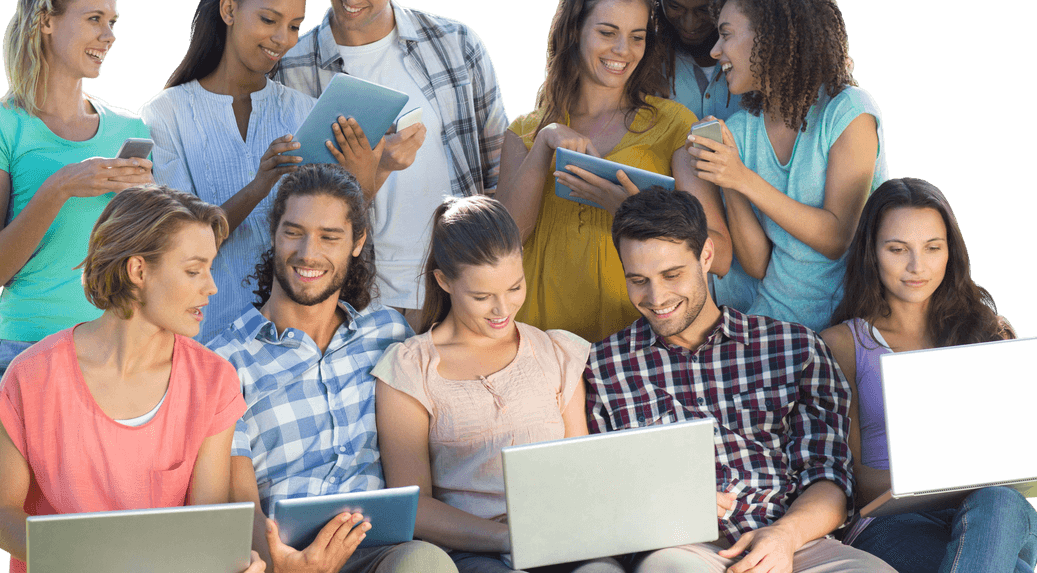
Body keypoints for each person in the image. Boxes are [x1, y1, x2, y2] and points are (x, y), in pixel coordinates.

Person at [585, 187, 894, 573]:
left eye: (671, 274)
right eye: (638, 280)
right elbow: (602, 494)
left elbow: (830, 477)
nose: (656, 296)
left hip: (794, 541)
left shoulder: (793, 348)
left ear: (706, 255)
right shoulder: (605, 367)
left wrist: (784, 536)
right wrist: (662, 505)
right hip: (683, 547)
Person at [0, 184, 263, 573]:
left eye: (209, 269)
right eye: (193, 271)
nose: (210, 287)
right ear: (138, 270)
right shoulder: (30, 376)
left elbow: (204, 524)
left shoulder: (214, 381)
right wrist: (86, 560)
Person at [208, 163, 456, 573]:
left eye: (329, 237)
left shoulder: (388, 334)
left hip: (382, 553)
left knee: (424, 563)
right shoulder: (225, 361)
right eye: (294, 232)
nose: (309, 253)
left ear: (357, 242)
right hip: (284, 557)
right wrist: (285, 563)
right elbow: (240, 504)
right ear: (274, 234)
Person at [275, 0, 509, 323]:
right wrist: (378, 166)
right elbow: (287, 198)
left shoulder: (456, 45)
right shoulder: (289, 68)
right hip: (353, 293)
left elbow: (498, 170)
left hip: (455, 281)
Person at [0, 0, 153, 435]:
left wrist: (151, 210)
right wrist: (61, 186)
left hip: (116, 357)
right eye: (94, 19)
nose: (108, 35)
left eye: (112, 22)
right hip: (31, 356)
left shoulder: (129, 128)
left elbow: (145, 260)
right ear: (46, 21)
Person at [374, 196, 616, 572]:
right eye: (482, 296)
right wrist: (508, 538)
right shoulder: (410, 369)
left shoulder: (556, 352)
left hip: (561, 542)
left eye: (514, 288)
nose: (503, 309)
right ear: (444, 280)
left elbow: (579, 472)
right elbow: (414, 506)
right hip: (473, 552)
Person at [495, 0, 727, 343]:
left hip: (633, 346)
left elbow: (720, 253)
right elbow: (502, 245)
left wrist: (631, 213)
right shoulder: (524, 132)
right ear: (575, 31)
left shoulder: (674, 125)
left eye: (637, 37)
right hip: (539, 339)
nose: (623, 50)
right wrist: (545, 142)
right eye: (607, 32)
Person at [819, 177, 1036, 573]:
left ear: (950, 252)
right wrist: (936, 477)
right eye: (897, 249)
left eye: (932, 248)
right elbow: (851, 478)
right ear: (871, 253)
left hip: (989, 511)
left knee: (1001, 501)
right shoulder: (842, 344)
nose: (917, 266)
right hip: (892, 523)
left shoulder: (988, 332)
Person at [680, 0, 889, 332]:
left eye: (726, 34)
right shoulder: (741, 131)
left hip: (845, 329)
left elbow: (836, 238)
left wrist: (742, 178)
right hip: (772, 323)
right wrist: (728, 178)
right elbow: (757, 265)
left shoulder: (848, 111)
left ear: (769, 38)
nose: (714, 50)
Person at [139, 0, 318, 343]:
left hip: (291, 339)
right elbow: (178, 243)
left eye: (294, 26)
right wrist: (258, 187)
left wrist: (374, 168)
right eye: (269, 20)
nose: (283, 39)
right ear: (229, 10)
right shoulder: (164, 115)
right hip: (201, 340)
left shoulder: (304, 112)